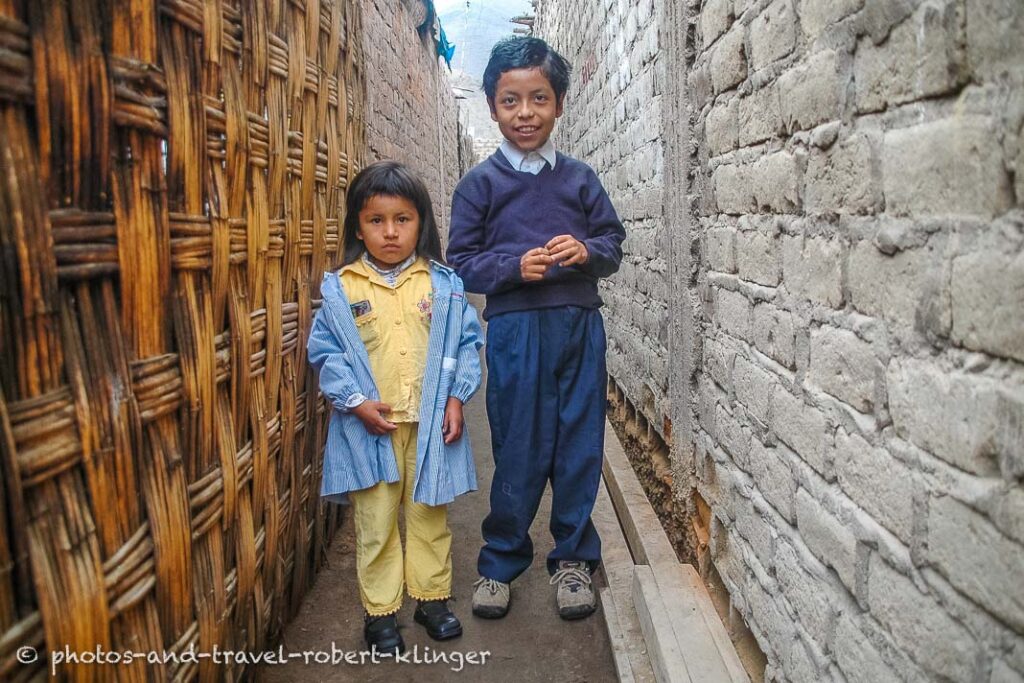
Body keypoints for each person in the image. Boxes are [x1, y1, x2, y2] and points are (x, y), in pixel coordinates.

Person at [446, 37, 625, 621]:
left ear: (560, 104)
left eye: (539, 99)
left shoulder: (579, 180)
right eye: (511, 101)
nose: (525, 113)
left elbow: (612, 244)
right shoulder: (480, 186)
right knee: (518, 447)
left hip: (578, 327)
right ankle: (501, 561)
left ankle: (572, 560)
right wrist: (512, 269)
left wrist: (585, 250)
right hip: (516, 332)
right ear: (494, 107)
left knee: (578, 445)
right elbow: (462, 261)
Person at [307, 160, 484, 653]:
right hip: (370, 427)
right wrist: (355, 402)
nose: (389, 232)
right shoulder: (343, 289)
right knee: (377, 521)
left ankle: (431, 599)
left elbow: (467, 342)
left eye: (402, 220)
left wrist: (456, 397)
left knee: (430, 514)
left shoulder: (443, 285)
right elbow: (326, 353)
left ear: (420, 223)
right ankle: (381, 612)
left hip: (431, 426)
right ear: (357, 227)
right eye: (376, 221)